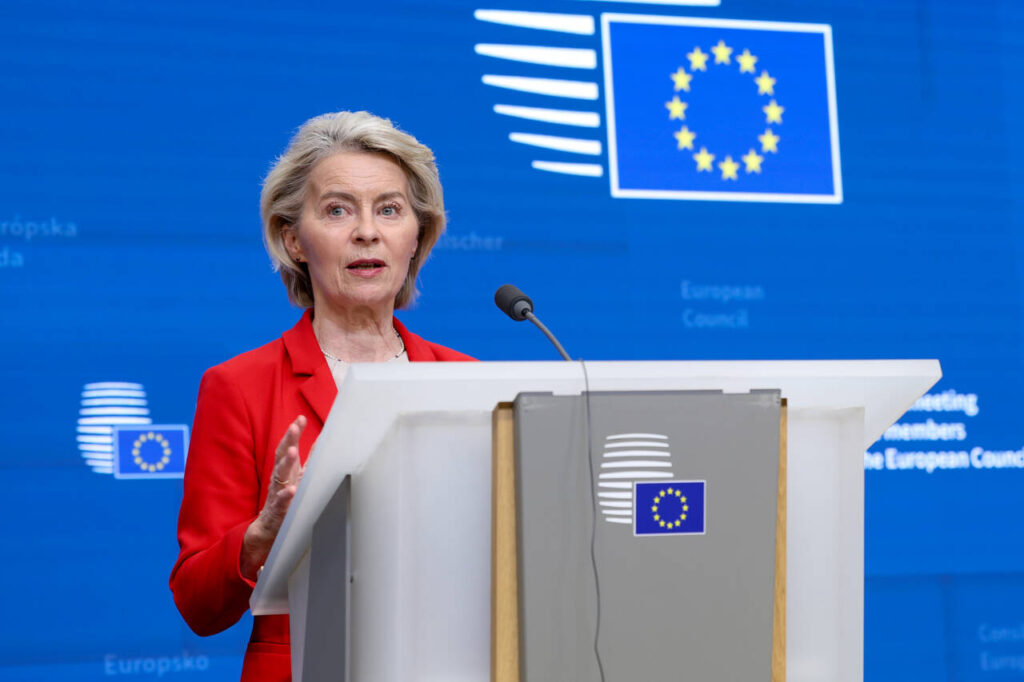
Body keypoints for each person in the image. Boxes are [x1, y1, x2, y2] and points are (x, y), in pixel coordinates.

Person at [169, 111, 474, 681]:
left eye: (390, 210)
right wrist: (261, 536)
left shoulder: (466, 380)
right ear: (294, 240)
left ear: (417, 236)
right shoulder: (239, 387)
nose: (367, 232)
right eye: (338, 210)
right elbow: (197, 604)